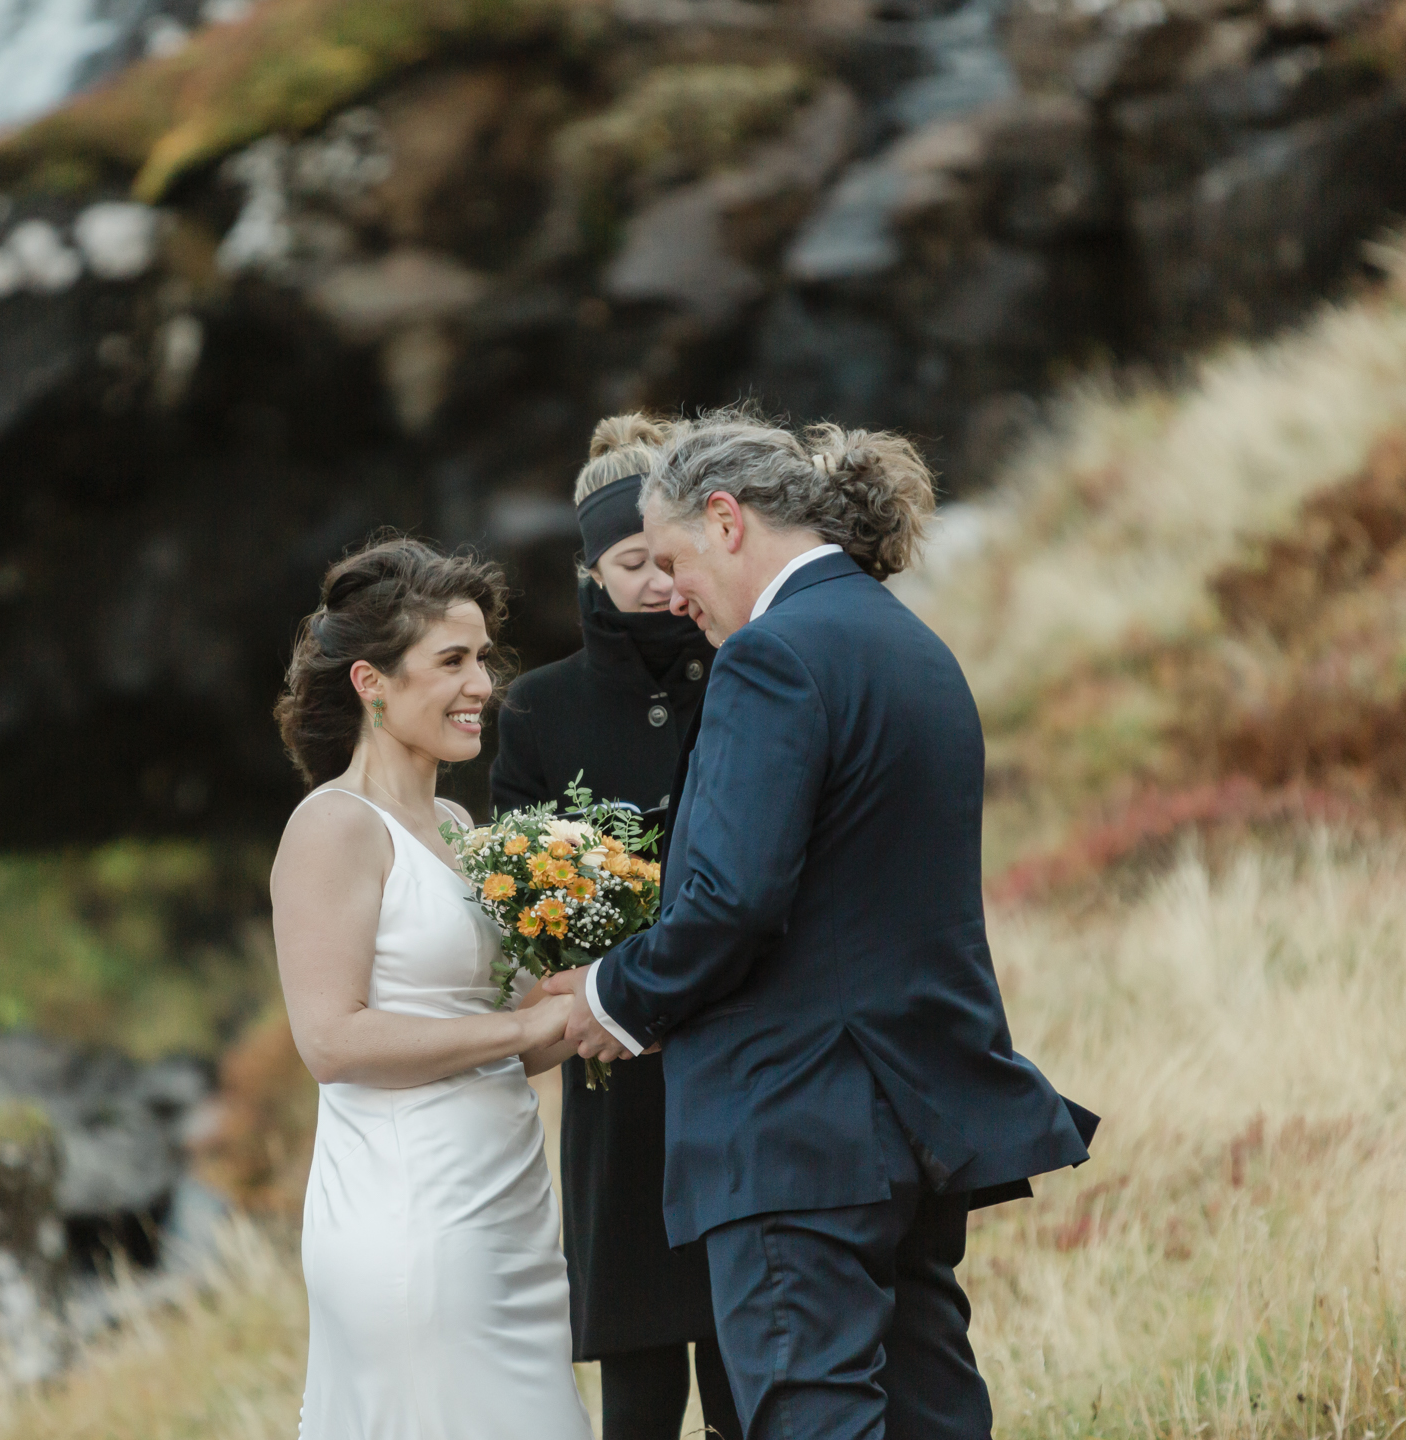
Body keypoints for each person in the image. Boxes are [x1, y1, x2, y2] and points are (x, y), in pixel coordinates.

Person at [548, 407, 1099, 1440]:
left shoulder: (772, 659)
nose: (668, 596)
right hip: (914, 1114)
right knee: (932, 1417)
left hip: (796, 1131)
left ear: (726, 521)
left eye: (671, 560)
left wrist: (608, 995)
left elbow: (734, 899)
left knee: (811, 1418)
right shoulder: (910, 644)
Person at [270, 536, 592, 1440]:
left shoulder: (454, 823)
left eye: (483, 657)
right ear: (371, 683)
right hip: (411, 1217)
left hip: (506, 1211)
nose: (482, 684)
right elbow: (332, 1042)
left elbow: (513, 1028)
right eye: (451, 660)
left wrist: (620, 992)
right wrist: (521, 1037)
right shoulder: (334, 828)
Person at [491, 414, 742, 1440]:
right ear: (592, 572)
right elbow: (517, 894)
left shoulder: (746, 671)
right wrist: (577, 946)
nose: (650, 582)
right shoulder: (540, 709)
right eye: (627, 562)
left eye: (662, 558)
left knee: (744, 1349)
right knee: (637, 1380)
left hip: (736, 1054)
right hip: (615, 1064)